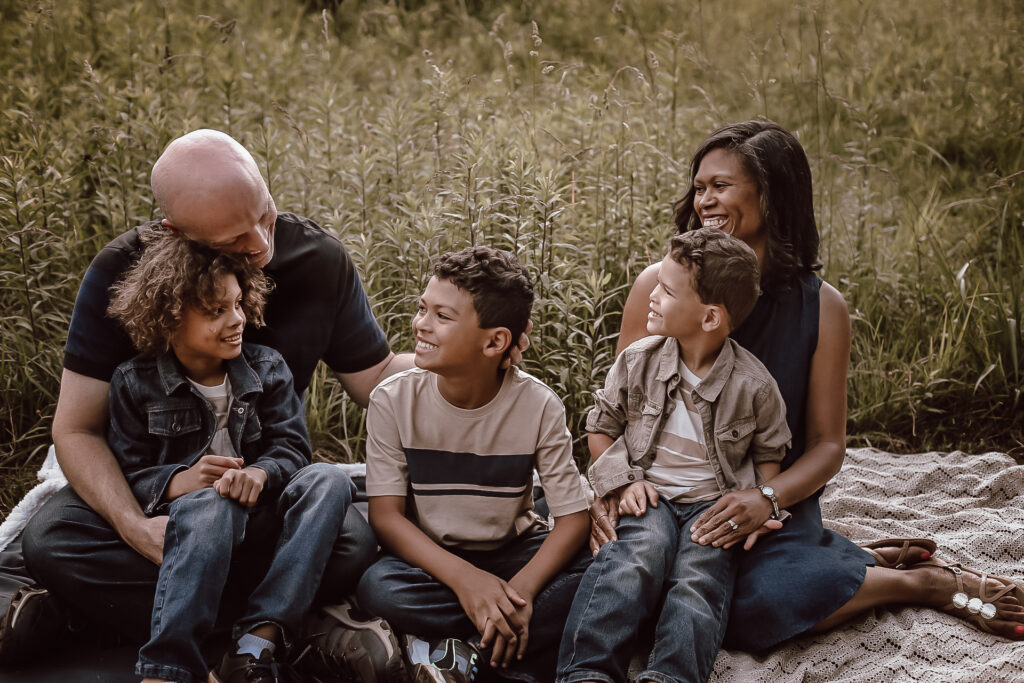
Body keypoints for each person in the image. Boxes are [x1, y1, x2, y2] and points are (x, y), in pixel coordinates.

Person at [586, 119, 1024, 655]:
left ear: (771, 195)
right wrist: (608, 493)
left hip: (766, 501)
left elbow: (827, 445)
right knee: (614, 585)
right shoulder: (660, 286)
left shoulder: (822, 307)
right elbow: (619, 412)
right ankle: (852, 559)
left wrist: (765, 499)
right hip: (655, 496)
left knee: (756, 603)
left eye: (721, 186)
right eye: (699, 187)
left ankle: (921, 583)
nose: (705, 201)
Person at [15, 129, 415, 673]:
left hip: (263, 495)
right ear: (174, 232)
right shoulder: (124, 275)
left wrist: (470, 355)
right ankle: (280, 627)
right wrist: (137, 526)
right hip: (162, 500)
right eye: (233, 241)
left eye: (265, 215)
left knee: (350, 538)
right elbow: (77, 430)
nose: (261, 245)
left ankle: (128, 616)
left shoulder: (319, 260)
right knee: (52, 540)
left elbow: (379, 378)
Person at [104, 231, 353, 682]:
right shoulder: (133, 383)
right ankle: (169, 668)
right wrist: (179, 481)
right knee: (209, 506)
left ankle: (255, 643)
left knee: (332, 481)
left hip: (262, 517)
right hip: (190, 527)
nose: (236, 319)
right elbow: (128, 471)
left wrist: (261, 472)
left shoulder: (268, 367)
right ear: (169, 317)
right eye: (216, 311)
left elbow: (293, 449)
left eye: (238, 304)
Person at [557, 229, 791, 683]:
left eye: (666, 290)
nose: (653, 296)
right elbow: (600, 430)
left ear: (709, 318)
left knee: (699, 581)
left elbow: (768, 453)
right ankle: (585, 671)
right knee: (634, 558)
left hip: (714, 504)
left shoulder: (755, 385)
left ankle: (669, 676)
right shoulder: (637, 361)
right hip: (650, 493)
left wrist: (763, 503)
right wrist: (623, 482)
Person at [354, 246, 592, 683]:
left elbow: (573, 520)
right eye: (423, 309)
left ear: (495, 341)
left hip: (512, 553)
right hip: (434, 564)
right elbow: (386, 518)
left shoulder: (538, 405)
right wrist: (468, 583)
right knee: (379, 586)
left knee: (597, 570)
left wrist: (518, 592)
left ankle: (464, 653)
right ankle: (501, 648)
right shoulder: (393, 400)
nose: (421, 324)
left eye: (442, 317)